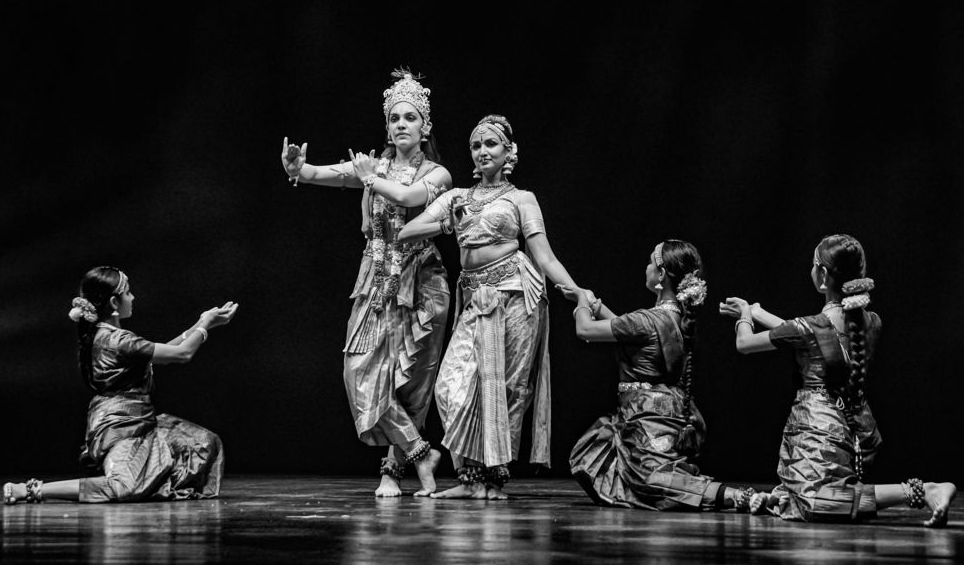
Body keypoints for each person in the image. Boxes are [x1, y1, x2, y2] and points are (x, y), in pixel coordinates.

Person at [281, 69, 451, 497]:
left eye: (410, 117)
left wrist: (370, 177)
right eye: (394, 118)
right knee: (358, 372)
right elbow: (332, 174)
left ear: (424, 126)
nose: (400, 125)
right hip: (375, 280)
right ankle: (420, 452)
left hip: (420, 282)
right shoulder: (375, 165)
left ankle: (392, 472)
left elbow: (410, 198)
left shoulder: (439, 175)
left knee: (409, 382)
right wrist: (301, 169)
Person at [399, 115, 578, 499]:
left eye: (490, 144)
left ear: (509, 152)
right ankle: (469, 479)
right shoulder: (457, 197)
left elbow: (544, 257)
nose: (482, 151)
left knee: (507, 389)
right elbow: (407, 230)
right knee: (451, 386)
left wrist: (575, 289)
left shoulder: (521, 199)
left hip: (515, 292)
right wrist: (447, 221)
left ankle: (489, 481)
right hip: (475, 297)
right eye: (476, 146)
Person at [721, 234, 956, 527]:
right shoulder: (871, 322)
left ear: (821, 275)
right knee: (800, 501)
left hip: (818, 422)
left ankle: (919, 491)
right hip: (851, 421)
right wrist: (758, 312)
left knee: (818, 502)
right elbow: (811, 336)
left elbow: (745, 343)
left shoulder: (810, 326)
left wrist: (744, 316)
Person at [2, 266, 236, 504]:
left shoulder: (107, 336)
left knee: (203, 444)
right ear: (114, 302)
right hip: (123, 426)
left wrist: (201, 323)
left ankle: (145, 479)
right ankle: (31, 489)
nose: (133, 297)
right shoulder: (117, 340)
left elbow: (170, 349)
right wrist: (205, 326)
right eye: (128, 293)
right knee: (121, 487)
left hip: (138, 422)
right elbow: (182, 354)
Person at [561, 240, 757, 512]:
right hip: (661, 411)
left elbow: (585, 330)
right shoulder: (677, 318)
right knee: (604, 456)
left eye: (650, 262)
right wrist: (595, 305)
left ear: (662, 274)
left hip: (647, 415)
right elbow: (629, 332)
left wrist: (582, 302)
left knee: (652, 478)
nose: (647, 267)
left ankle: (733, 496)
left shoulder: (648, 320)